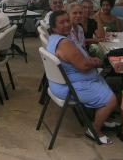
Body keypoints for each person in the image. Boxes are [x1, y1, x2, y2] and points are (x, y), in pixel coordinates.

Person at [47, 10, 117, 144]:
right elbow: (83, 66)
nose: (67, 24)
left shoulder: (55, 38)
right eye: (62, 22)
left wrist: (90, 61)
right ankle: (94, 130)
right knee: (111, 100)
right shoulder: (64, 43)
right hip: (67, 87)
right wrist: (96, 62)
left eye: (68, 20)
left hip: (63, 82)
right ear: (54, 27)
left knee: (103, 81)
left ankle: (102, 117)